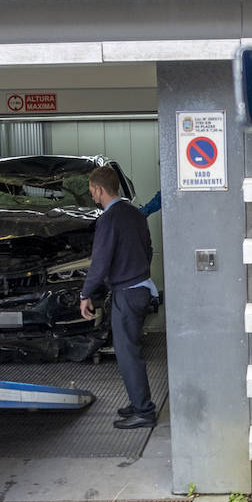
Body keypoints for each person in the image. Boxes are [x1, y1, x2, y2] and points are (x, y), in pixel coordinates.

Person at [80, 165, 159, 428]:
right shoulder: (135, 214)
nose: (92, 196)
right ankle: (138, 402)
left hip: (126, 293)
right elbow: (148, 250)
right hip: (141, 289)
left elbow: (100, 262)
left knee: (127, 355)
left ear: (99, 189)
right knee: (131, 352)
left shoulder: (108, 219)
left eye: (92, 191)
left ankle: (144, 412)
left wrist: (86, 293)